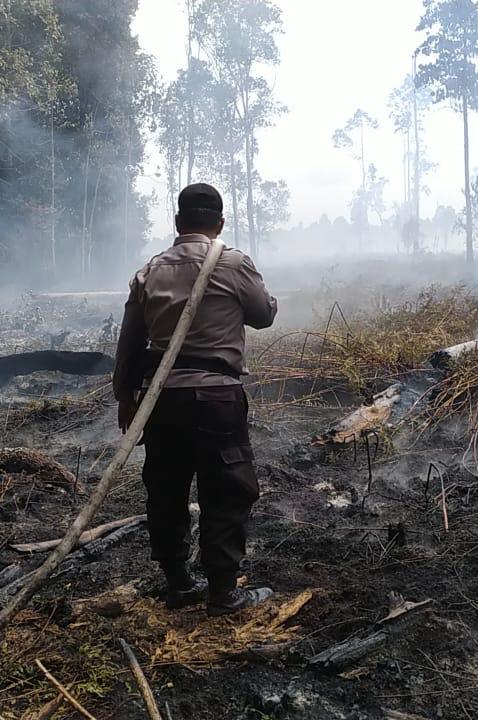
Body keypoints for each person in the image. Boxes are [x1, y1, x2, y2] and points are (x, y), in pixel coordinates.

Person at [112, 183, 277, 616]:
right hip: (218, 399)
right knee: (226, 490)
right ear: (220, 223)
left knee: (165, 490)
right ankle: (223, 592)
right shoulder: (233, 263)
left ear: (178, 222)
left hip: (161, 401)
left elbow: (128, 344)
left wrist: (124, 397)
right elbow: (263, 316)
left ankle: (179, 585)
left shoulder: (151, 271)